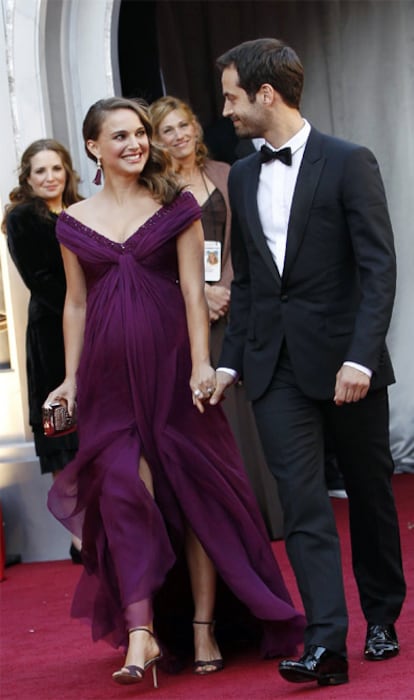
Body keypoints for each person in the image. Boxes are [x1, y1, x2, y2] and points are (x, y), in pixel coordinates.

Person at [44, 96, 305, 688]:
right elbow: (75, 303)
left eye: (140, 133)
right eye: (121, 136)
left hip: (172, 373)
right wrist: (70, 378)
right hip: (109, 383)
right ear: (93, 147)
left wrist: (201, 365)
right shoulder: (72, 219)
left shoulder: (176, 205)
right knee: (121, 495)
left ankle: (204, 625)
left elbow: (193, 293)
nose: (136, 143)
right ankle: (142, 633)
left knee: (195, 496)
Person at [212, 38, 406, 687]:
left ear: (267, 94)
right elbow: (249, 284)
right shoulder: (241, 174)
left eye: (233, 96)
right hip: (275, 369)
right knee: (302, 505)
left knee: (371, 494)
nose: (227, 109)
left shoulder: (351, 161)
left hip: (347, 364)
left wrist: (361, 357)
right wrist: (231, 364)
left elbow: (379, 269)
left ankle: (382, 613)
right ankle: (326, 643)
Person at [149, 95, 282, 539]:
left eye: (184, 124)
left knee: (245, 410)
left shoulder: (227, 173)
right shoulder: (154, 192)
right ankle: (228, 520)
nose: (179, 135)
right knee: (209, 415)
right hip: (186, 313)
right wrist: (200, 293)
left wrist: (223, 288)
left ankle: (265, 511)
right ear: (155, 139)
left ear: (195, 128)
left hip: (238, 303)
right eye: (167, 129)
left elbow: (250, 239)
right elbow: (154, 258)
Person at [2, 139, 83, 563]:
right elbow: (44, 282)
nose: (50, 177)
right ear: (28, 179)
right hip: (52, 341)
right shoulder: (22, 218)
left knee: (94, 436)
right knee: (62, 434)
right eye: (41, 172)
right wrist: (89, 312)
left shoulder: (84, 209)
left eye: (57, 168)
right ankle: (80, 536)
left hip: (95, 335)